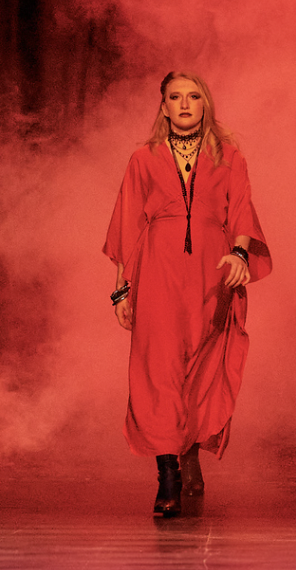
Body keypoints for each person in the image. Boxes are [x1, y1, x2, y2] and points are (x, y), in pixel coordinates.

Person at [103, 71, 272, 518]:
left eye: (193, 96)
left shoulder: (229, 156)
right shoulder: (143, 158)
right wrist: (121, 291)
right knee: (157, 368)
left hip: (212, 272)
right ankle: (167, 477)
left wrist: (239, 253)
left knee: (201, 367)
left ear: (205, 104)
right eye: (174, 97)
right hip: (158, 271)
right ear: (162, 106)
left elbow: (241, 209)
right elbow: (126, 226)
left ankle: (190, 449)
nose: (183, 104)